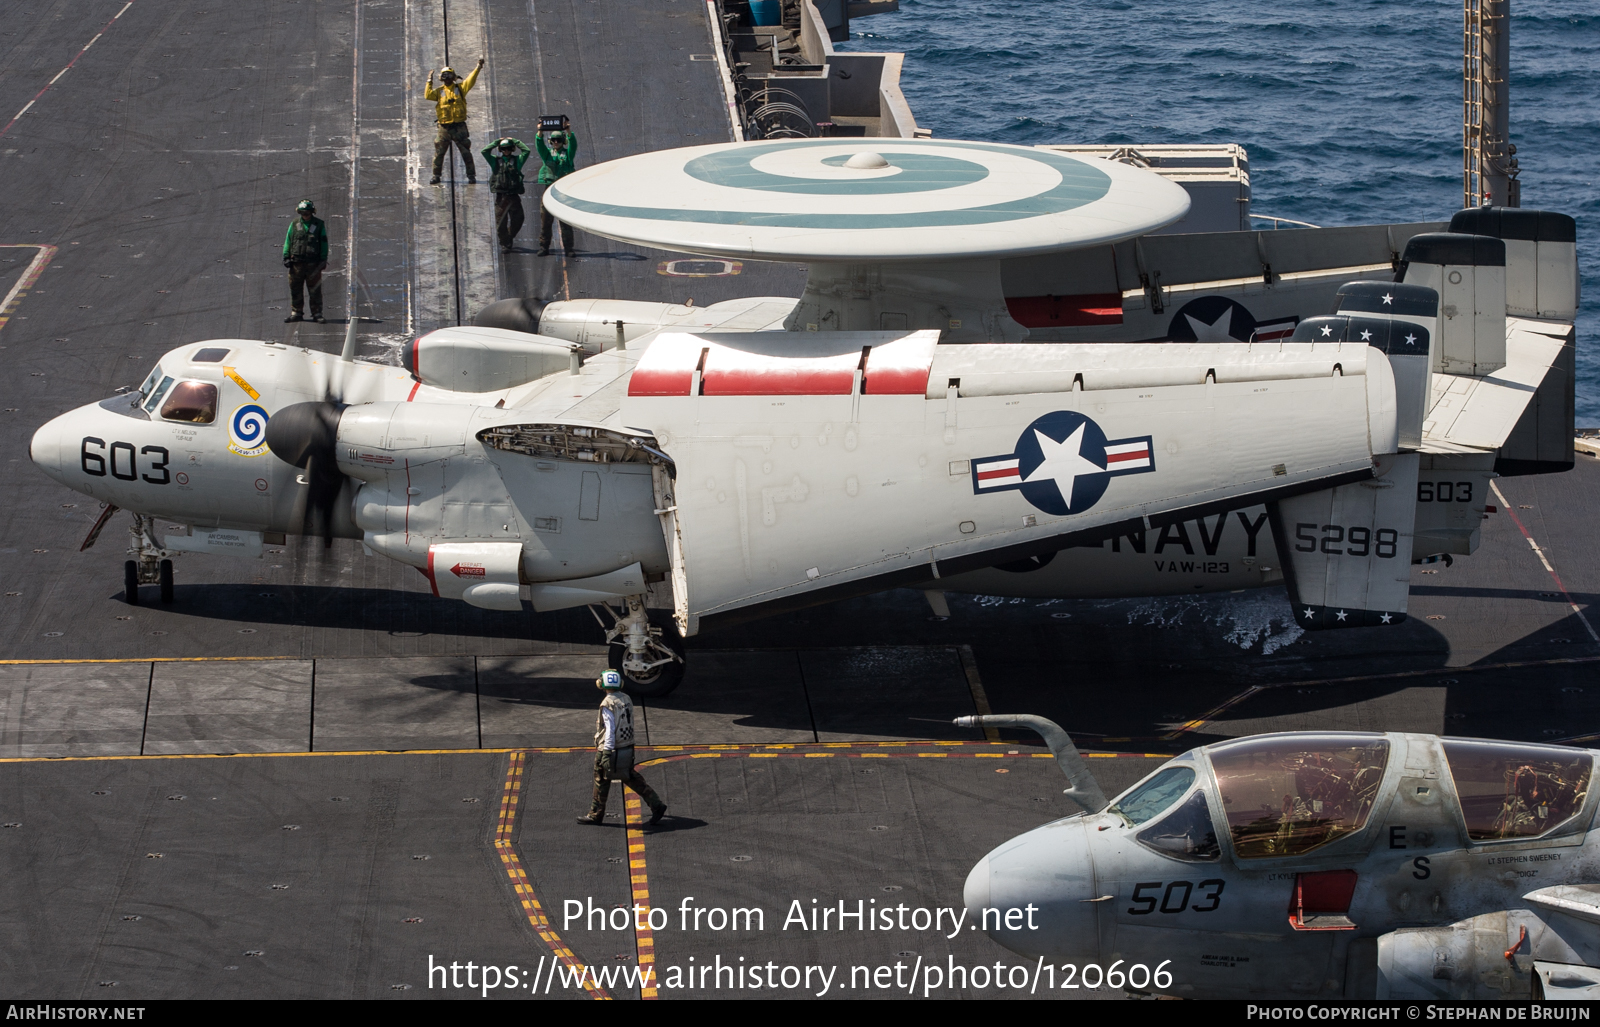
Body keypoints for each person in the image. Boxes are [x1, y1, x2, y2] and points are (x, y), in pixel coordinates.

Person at [577, 671, 667, 826]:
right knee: (630, 776)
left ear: (602, 684)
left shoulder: (607, 704)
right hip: (627, 747)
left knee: (601, 780)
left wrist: (606, 752)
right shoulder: (626, 698)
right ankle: (656, 804)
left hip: (611, 748)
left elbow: (610, 730)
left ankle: (595, 814)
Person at [425, 58, 485, 185]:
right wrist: (429, 81)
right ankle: (436, 175)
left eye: (449, 76)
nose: (447, 79)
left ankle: (471, 175)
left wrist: (478, 67)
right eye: (444, 76)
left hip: (459, 127)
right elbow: (427, 95)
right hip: (444, 127)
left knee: (466, 152)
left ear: (453, 77)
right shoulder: (439, 92)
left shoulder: (460, 89)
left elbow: (471, 80)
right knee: (439, 153)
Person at [280, 199, 328, 323]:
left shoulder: (319, 225)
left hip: (313, 264)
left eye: (307, 213)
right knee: (295, 288)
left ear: (312, 212)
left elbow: (324, 243)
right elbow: (288, 241)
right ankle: (296, 313)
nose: (305, 215)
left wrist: (323, 259)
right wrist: (286, 256)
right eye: (303, 213)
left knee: (315, 290)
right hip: (296, 263)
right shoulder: (294, 224)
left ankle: (317, 313)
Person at [480, 137, 531, 253]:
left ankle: (509, 237)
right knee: (501, 223)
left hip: (513, 196)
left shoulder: (517, 161)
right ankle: (505, 243)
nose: (506, 151)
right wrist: (496, 142)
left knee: (518, 219)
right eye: (503, 149)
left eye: (508, 148)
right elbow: (484, 152)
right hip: (501, 197)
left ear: (512, 149)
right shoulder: (496, 162)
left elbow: (526, 151)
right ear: (500, 150)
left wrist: (515, 141)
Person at [534, 125, 578, 256]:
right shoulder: (547, 155)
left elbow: (573, 145)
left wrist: (569, 130)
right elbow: (539, 145)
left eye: (559, 140)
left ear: (563, 141)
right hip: (549, 191)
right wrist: (540, 131)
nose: (556, 142)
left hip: (563, 192)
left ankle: (569, 248)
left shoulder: (567, 155)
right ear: (551, 142)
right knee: (545, 222)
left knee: (565, 223)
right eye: (554, 140)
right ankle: (544, 247)